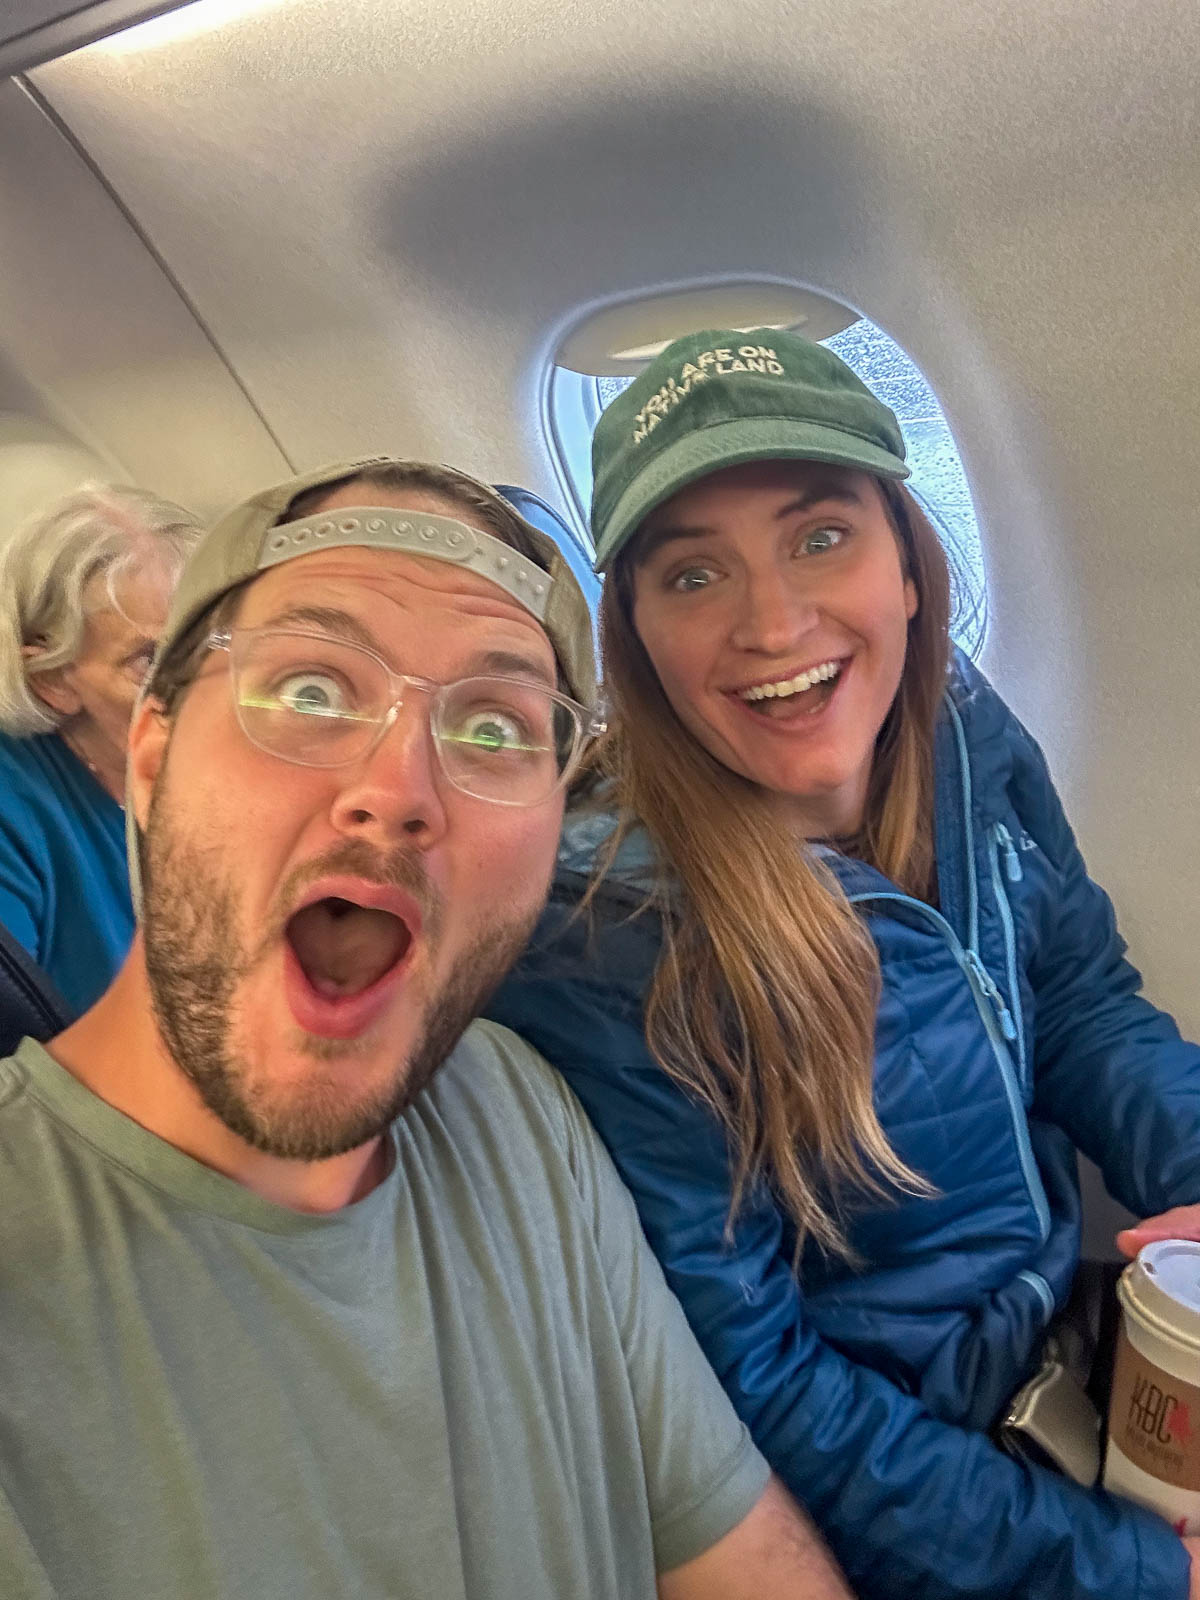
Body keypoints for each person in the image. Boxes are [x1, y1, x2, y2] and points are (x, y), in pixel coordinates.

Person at [0, 454, 853, 1600]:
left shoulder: (516, 1107)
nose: (400, 787)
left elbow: (738, 1555)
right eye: (310, 690)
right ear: (149, 759)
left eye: (496, 729)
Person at [487, 328, 1200, 1600]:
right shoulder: (610, 932)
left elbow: (1083, 1000)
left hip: (1063, 1349)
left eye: (821, 537)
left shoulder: (958, 726)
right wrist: (1117, 1571)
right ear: (635, 636)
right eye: (693, 575)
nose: (773, 624)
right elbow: (753, 1384)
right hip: (908, 1489)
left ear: (911, 566)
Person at [0, 483, 201, 1011]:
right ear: (52, 679)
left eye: (210, 645)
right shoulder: (13, 811)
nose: (204, 688)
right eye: (150, 660)